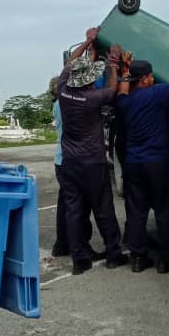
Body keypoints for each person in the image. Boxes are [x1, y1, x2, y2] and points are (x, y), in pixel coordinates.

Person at [116, 60, 169, 273]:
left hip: (133, 163)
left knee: (136, 212)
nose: (153, 78)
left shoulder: (123, 101)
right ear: (144, 79)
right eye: (151, 76)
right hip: (156, 163)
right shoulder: (155, 93)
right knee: (163, 209)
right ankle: (164, 260)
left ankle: (137, 258)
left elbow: (123, 87)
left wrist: (125, 72)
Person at [58, 28, 128, 275]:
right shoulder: (93, 98)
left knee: (74, 210)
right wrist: (113, 65)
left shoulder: (63, 91)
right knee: (103, 208)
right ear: (88, 79)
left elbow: (69, 64)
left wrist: (87, 43)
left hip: (70, 162)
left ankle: (80, 260)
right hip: (93, 162)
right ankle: (113, 253)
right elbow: (112, 89)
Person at [49, 76, 98, 260]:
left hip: (61, 161)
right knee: (79, 208)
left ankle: (62, 244)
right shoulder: (68, 104)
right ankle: (81, 246)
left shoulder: (57, 105)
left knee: (66, 206)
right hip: (72, 160)